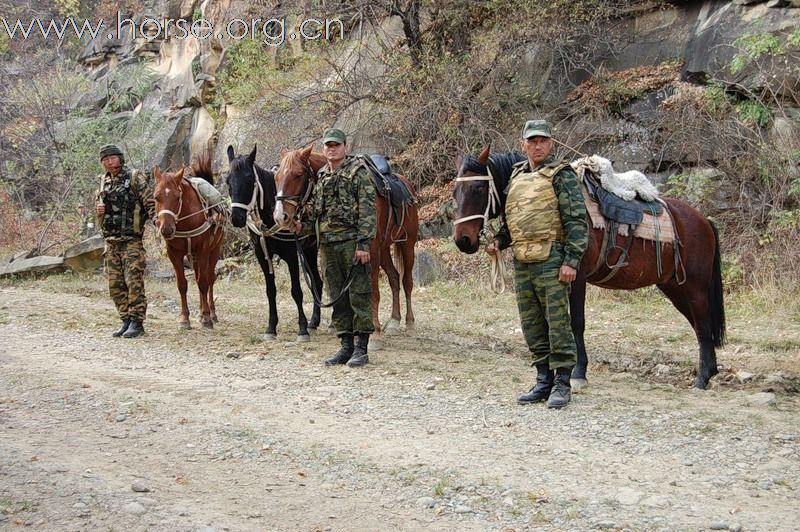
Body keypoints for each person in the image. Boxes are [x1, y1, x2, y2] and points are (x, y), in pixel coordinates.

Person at [487, 120, 588, 408]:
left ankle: (562, 383)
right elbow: (512, 221)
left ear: (551, 143)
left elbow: (577, 222)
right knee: (532, 324)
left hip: (552, 258)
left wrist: (571, 261)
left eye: (543, 140)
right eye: (532, 141)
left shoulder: (562, 175)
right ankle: (543, 379)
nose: (538, 145)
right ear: (523, 145)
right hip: (523, 260)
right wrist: (499, 241)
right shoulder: (516, 176)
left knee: (557, 323)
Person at [295, 128, 377, 367]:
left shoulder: (358, 173)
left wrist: (364, 244)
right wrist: (303, 227)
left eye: (336, 145)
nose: (332, 149)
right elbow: (320, 213)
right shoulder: (321, 176)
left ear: (345, 148)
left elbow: (368, 211)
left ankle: (361, 348)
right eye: (328, 146)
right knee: (337, 295)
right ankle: (345, 346)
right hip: (328, 245)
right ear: (324, 149)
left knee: (358, 293)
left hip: (352, 244)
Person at [94, 144, 155, 338]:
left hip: (131, 241)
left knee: (133, 281)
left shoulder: (134, 178)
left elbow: (150, 203)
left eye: (112, 158)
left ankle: (137, 322)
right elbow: (99, 215)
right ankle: (125, 320)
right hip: (111, 242)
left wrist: (160, 223)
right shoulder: (103, 182)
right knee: (115, 285)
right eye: (105, 160)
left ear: (120, 158)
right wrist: (98, 212)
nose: (109, 162)